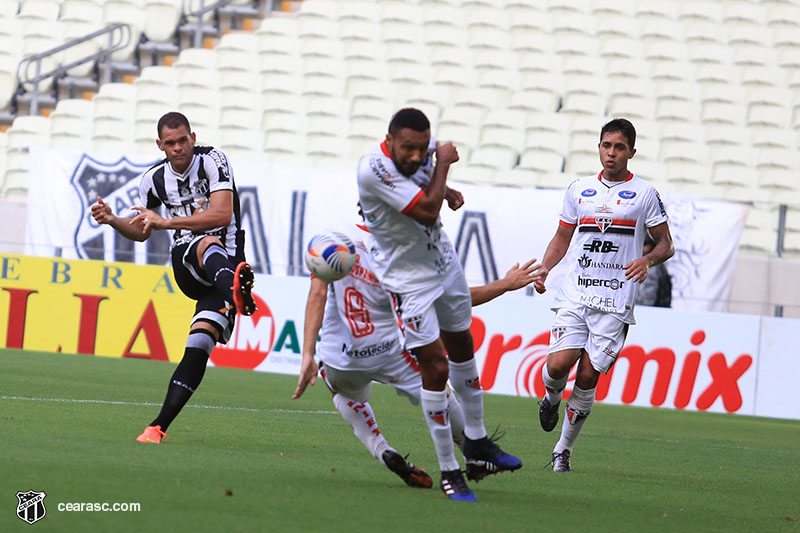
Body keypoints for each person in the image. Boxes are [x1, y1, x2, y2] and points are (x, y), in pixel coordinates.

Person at [293, 222, 540, 494]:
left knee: (341, 392)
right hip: (387, 352)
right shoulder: (402, 257)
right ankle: (473, 456)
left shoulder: (337, 240)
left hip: (339, 356)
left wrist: (308, 354)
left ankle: (382, 449)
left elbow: (318, 294)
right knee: (439, 391)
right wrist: (505, 284)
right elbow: (456, 299)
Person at [356, 108, 523, 502]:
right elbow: (427, 210)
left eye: (423, 148)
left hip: (443, 263)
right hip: (407, 279)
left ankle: (478, 442)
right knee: (435, 367)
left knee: (463, 345)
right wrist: (444, 167)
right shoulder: (373, 169)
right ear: (389, 141)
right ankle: (450, 470)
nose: (417, 156)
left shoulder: (421, 149)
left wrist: (445, 189)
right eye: (408, 149)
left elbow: (427, 180)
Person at [90, 111, 256, 444]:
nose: (178, 147)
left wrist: (165, 223)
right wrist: (113, 220)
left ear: (193, 138)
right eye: (170, 143)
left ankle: (156, 427)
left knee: (200, 344)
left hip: (226, 267)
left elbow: (223, 213)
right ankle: (237, 292)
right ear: (160, 145)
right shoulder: (153, 180)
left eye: (183, 140)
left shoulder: (213, 161)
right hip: (189, 264)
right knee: (206, 242)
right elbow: (141, 230)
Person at [533, 118, 674, 472]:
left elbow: (666, 244)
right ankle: (550, 398)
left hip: (615, 300)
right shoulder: (579, 189)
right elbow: (562, 237)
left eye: (619, 147)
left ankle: (562, 450)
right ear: (598, 147)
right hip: (577, 292)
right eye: (606, 146)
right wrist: (545, 268)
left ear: (631, 152)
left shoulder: (645, 194)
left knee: (587, 377)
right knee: (557, 365)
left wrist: (647, 260)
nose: (611, 153)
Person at [635, 233, 672, 307]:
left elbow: (647, 298)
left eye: (644, 244)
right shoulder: (657, 264)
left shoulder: (650, 267)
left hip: (648, 310)